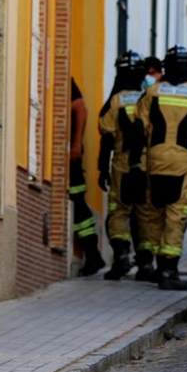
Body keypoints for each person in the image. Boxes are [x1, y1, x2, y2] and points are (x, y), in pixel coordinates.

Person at [130, 46, 187, 291]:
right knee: (175, 217)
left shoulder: (152, 92)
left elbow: (137, 129)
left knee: (154, 215)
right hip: (182, 165)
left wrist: (136, 163)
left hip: (154, 162)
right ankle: (169, 270)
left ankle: (157, 267)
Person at [97, 51, 147, 281]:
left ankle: (122, 257)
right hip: (148, 165)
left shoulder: (115, 101)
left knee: (118, 212)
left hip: (122, 165)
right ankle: (146, 264)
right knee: (145, 213)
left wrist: (102, 169)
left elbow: (106, 137)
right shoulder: (150, 97)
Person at [70, 77, 106, 276]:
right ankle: (93, 255)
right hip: (64, 155)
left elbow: (81, 108)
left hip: (71, 156)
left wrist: (76, 144)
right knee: (78, 206)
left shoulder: (67, 83)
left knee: (78, 205)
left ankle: (93, 255)